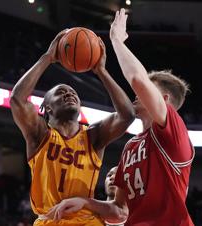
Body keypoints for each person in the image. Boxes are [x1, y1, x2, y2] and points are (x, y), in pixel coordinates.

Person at [46, 9, 195, 226]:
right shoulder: (131, 147)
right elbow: (119, 210)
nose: (137, 94)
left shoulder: (174, 133)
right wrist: (84, 201)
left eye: (148, 90)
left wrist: (116, 40)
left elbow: (137, 79)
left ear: (163, 99)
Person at [10, 29, 135, 226]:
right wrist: (48, 57)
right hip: (50, 221)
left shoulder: (94, 136)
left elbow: (127, 115)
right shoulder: (39, 134)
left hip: (86, 220)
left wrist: (101, 71)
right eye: (61, 92)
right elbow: (17, 99)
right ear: (46, 107)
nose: (70, 94)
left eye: (73, 93)